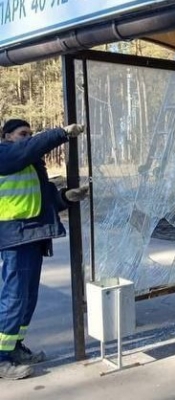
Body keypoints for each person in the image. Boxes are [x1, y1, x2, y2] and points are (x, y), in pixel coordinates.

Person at [0, 119, 87, 379]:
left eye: (30, 133)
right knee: (14, 298)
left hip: (32, 236)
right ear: (7, 136)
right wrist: (60, 133)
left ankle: (14, 347)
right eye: (22, 133)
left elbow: (43, 199)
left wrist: (65, 197)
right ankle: (1, 358)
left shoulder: (30, 163)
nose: (28, 137)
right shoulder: (5, 154)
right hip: (15, 236)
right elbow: (26, 150)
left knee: (27, 298)